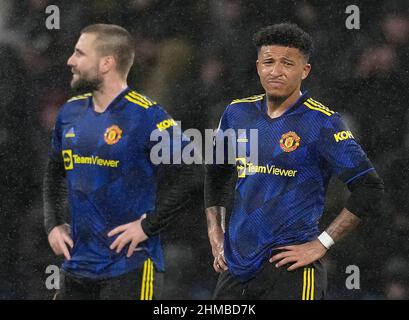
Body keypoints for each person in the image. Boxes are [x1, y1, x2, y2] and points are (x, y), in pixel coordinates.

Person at [204, 23, 385, 300]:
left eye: (287, 63)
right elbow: (216, 175)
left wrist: (321, 243)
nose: (276, 71)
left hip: (292, 268)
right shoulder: (235, 114)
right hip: (236, 267)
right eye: (268, 62)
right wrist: (215, 232)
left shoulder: (323, 123)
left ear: (305, 70)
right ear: (257, 66)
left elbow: (369, 188)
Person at [43, 24, 192, 300]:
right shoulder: (70, 113)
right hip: (77, 265)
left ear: (106, 63)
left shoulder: (147, 116)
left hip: (128, 268)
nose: (70, 61)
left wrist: (148, 226)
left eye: (79, 53)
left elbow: (192, 173)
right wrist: (53, 223)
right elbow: (54, 173)